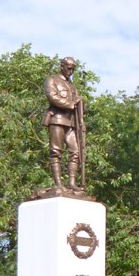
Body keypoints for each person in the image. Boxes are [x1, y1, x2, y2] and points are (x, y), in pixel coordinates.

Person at [43, 56, 86, 192]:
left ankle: (71, 183)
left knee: (76, 152)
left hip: (72, 123)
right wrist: (71, 104)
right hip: (58, 119)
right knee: (56, 151)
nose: (71, 71)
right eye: (69, 68)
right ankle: (58, 184)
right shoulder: (52, 80)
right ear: (62, 66)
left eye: (73, 69)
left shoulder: (72, 85)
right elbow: (52, 97)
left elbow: (78, 102)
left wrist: (81, 105)